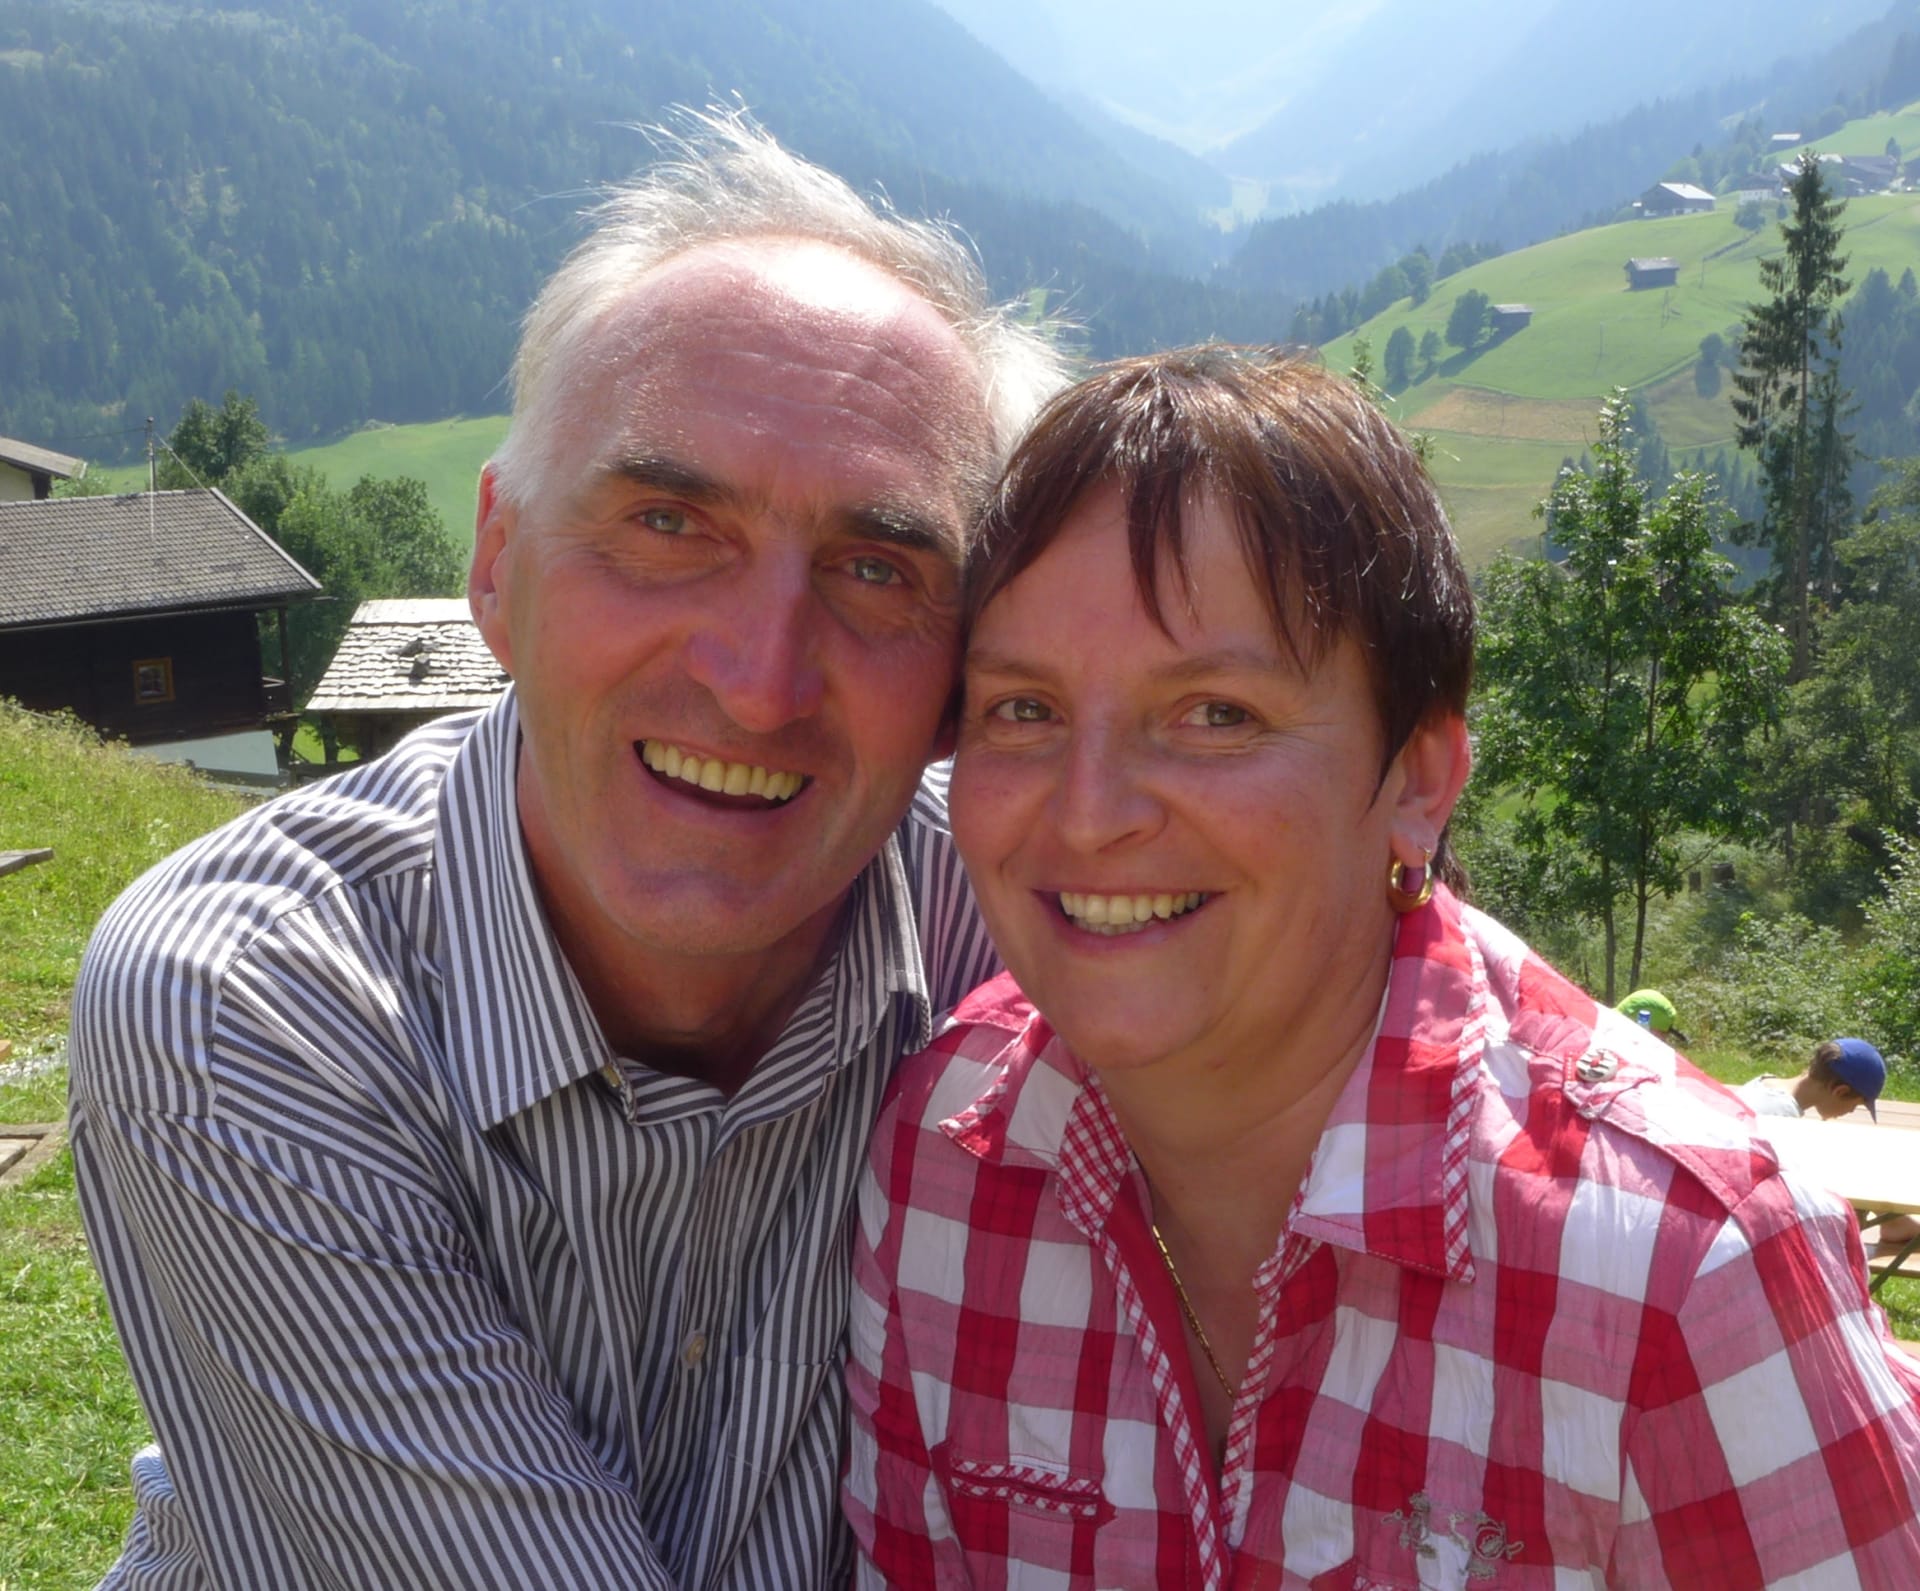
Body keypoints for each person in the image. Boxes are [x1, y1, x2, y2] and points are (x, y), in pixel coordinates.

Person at [68, 108, 1068, 1589]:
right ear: (497, 561)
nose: (759, 680)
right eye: (666, 522)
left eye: (876, 567)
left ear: (959, 674)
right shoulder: (247, 1001)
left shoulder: (1026, 940)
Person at [843, 347, 1920, 1588]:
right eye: (1022, 709)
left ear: (1418, 777)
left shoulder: (1686, 1274)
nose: (1088, 816)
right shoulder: (943, 1156)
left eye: (1216, 714)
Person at [1739, 1036, 1887, 1120]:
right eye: (1855, 1105)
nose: (1851, 1111)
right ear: (1840, 1091)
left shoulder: (1765, 1082)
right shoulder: (1782, 1116)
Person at [1615, 987, 1688, 1045]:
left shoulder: (1619, 1019)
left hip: (1658, 1012)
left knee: (1650, 1045)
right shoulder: (1621, 1016)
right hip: (1656, 1008)